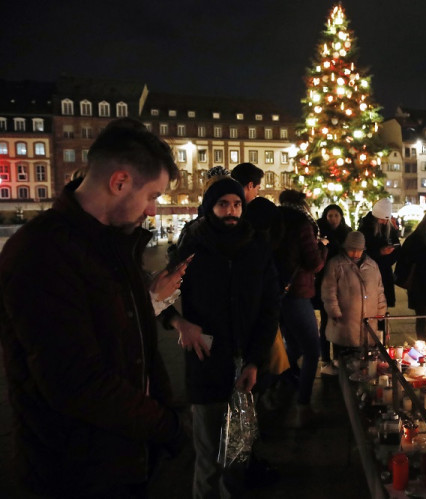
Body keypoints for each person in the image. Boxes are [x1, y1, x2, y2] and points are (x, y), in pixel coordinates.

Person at [0, 119, 184, 497]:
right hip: (75, 472)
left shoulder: (114, 244)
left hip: (122, 456)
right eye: (152, 195)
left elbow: (138, 345)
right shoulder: (41, 252)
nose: (152, 210)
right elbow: (76, 382)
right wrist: (165, 425)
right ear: (119, 182)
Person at [163, 172, 280, 498]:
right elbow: (159, 298)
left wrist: (255, 361)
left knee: (237, 459)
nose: (231, 211)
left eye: (236, 204)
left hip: (247, 368)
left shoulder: (257, 246)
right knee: (209, 460)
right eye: (222, 204)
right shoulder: (193, 245)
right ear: (209, 207)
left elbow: (270, 307)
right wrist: (180, 324)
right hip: (207, 364)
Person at [275, 189, 327, 427]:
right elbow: (314, 263)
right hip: (296, 292)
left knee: (292, 345)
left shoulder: (274, 219)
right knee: (312, 348)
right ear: (302, 203)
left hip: (275, 293)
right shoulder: (302, 223)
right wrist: (323, 248)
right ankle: (303, 406)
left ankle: (275, 383)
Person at [321, 231, 386, 358]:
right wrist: (334, 311)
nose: (356, 254)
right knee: (344, 361)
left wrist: (381, 310)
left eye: (359, 250)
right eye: (352, 250)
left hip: (369, 322)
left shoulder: (372, 266)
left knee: (366, 362)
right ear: (345, 248)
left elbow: (379, 290)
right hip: (344, 322)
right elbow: (329, 291)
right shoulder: (336, 264)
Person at [314, 204, 352, 374]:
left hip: (342, 280)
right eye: (330, 215)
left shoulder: (347, 232)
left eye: (336, 215)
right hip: (323, 280)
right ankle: (326, 359)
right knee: (325, 320)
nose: (333, 219)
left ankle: (339, 357)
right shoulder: (318, 231)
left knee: (339, 319)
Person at [395, 211, 426, 341]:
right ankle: (422, 345)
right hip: (419, 285)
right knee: (421, 318)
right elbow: (404, 261)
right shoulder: (414, 239)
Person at [358, 198, 400, 307]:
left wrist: (392, 252)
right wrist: (380, 252)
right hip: (369, 273)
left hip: (385, 272)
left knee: (383, 305)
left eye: (387, 220)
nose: (385, 222)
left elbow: (397, 247)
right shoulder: (365, 228)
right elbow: (361, 253)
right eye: (382, 220)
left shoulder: (388, 227)